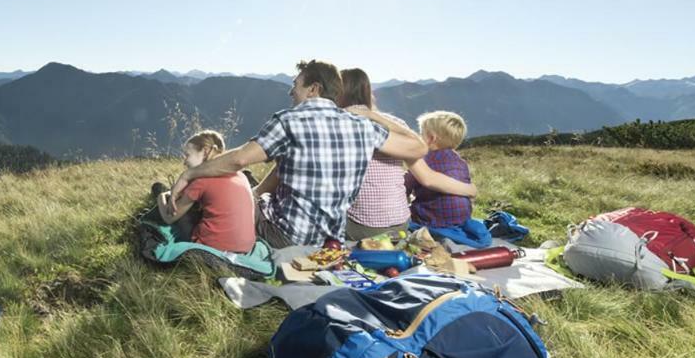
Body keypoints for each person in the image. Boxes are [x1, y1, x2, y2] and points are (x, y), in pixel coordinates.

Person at [169, 59, 428, 248]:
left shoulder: (288, 121)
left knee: (223, 189)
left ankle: (181, 218)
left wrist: (192, 172)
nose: (291, 91)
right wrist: (375, 116)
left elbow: (237, 160)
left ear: (313, 89)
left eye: (296, 85)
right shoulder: (364, 127)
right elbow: (418, 148)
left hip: (284, 236)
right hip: (331, 241)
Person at [337, 69, 478, 241]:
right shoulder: (397, 124)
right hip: (401, 224)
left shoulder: (339, 124)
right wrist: (469, 189)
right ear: (367, 93)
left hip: (365, 227)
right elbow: (428, 178)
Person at [155, 130, 256, 253]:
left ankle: (158, 190)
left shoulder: (201, 180)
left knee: (172, 204)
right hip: (246, 247)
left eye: (187, 155)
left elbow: (169, 218)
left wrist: (161, 197)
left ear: (205, 152)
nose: (184, 161)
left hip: (211, 248)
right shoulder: (241, 175)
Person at [405, 110, 475, 229]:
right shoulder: (461, 162)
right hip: (462, 220)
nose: (419, 136)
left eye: (421, 133)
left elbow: (404, 186)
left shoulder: (423, 160)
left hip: (432, 222)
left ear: (432, 138)